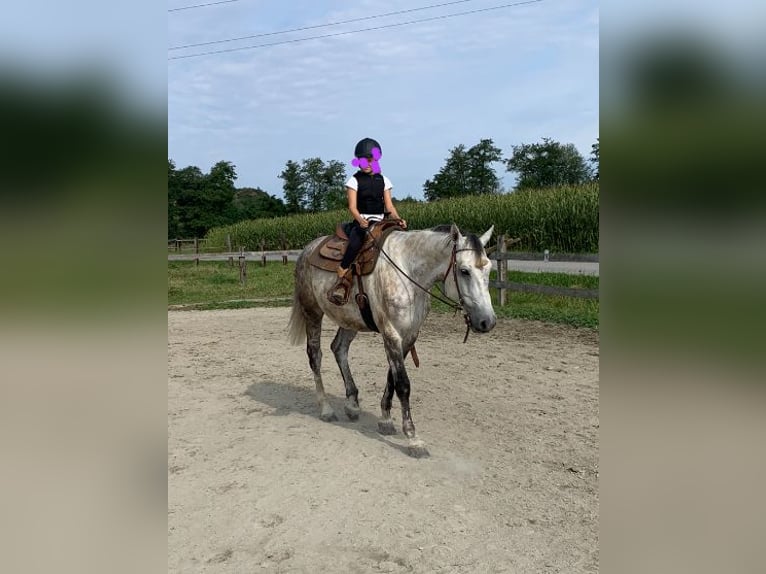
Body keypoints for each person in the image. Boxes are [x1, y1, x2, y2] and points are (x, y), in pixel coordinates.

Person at [328, 137, 407, 305]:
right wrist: (360, 220)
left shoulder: (383, 180)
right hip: (363, 220)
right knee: (357, 241)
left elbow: (390, 205)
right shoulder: (354, 181)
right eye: (365, 160)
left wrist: (398, 219)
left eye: (372, 160)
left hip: (381, 220)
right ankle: (342, 272)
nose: (369, 163)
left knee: (400, 237)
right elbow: (352, 207)